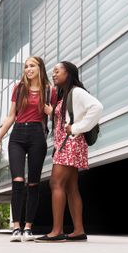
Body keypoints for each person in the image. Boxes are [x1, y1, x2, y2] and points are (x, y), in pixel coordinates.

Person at [36, 61, 102, 243]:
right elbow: (67, 116)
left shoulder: (77, 92)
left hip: (70, 143)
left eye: (57, 71)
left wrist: (77, 128)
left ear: (69, 73)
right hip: (67, 143)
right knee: (71, 188)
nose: (54, 74)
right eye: (53, 72)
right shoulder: (66, 94)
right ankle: (78, 230)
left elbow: (97, 108)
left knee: (55, 183)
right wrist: (53, 113)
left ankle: (56, 231)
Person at [0, 56, 54, 242]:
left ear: (40, 68)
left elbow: (56, 116)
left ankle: (28, 227)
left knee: (33, 183)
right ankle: (16, 227)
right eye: (26, 66)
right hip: (18, 135)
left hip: (37, 135)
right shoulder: (19, 89)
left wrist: (51, 112)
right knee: (18, 180)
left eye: (32, 66)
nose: (28, 69)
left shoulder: (49, 90)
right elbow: (11, 116)